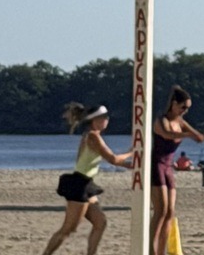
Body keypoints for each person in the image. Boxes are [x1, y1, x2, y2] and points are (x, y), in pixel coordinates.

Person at [41, 104, 135, 255]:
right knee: (69, 228)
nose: (107, 120)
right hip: (79, 184)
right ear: (95, 120)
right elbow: (113, 159)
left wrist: (130, 165)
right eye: (104, 117)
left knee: (100, 222)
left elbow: (110, 160)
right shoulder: (92, 136)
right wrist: (131, 152)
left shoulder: (91, 135)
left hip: (87, 183)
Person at [150, 86, 204, 255]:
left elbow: (198, 137)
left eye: (188, 108)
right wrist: (188, 135)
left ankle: (162, 250)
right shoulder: (162, 120)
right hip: (157, 165)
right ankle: (151, 250)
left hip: (169, 166)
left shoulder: (180, 122)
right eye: (183, 107)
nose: (185, 111)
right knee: (160, 211)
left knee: (170, 212)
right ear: (174, 104)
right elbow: (168, 135)